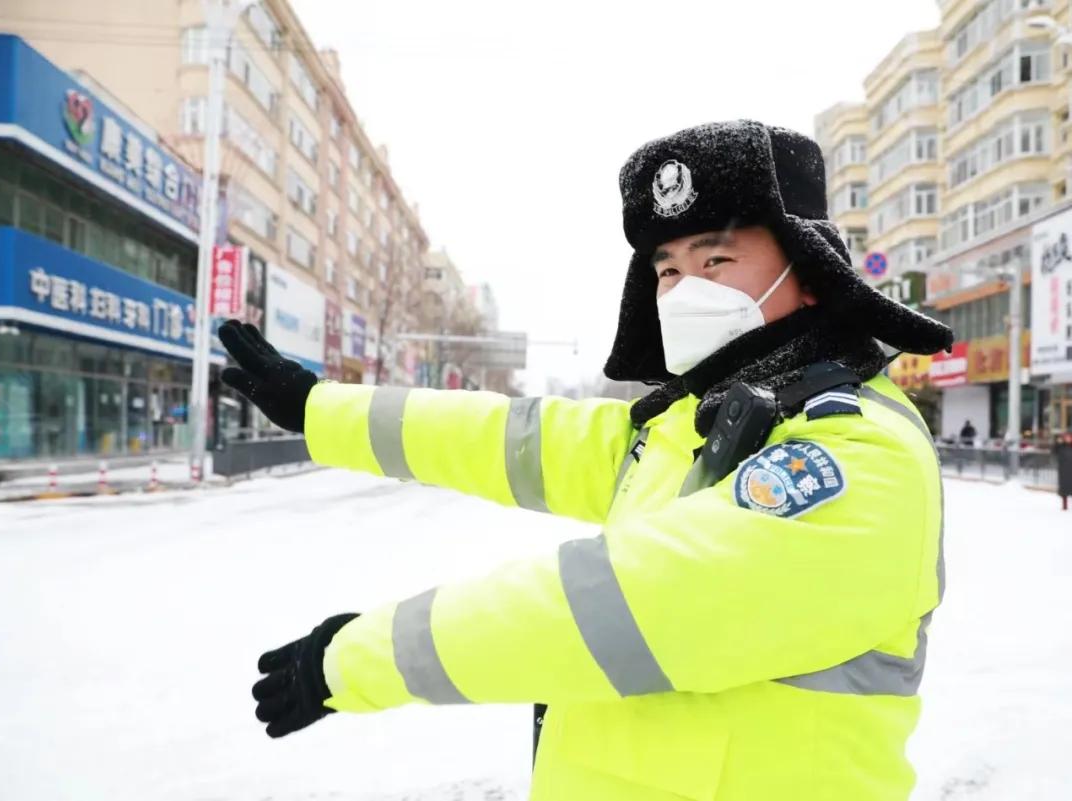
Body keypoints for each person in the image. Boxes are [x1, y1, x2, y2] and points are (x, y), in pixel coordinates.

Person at [219, 120, 952, 801]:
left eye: (717, 259)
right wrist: (319, 410)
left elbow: (611, 606)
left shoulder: (855, 454)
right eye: (666, 269)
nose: (683, 289)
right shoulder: (699, 426)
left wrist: (350, 659)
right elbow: (519, 438)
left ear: (812, 270)